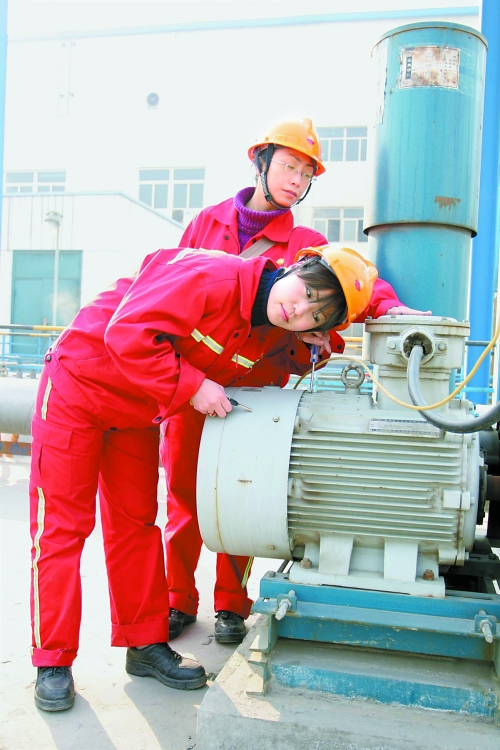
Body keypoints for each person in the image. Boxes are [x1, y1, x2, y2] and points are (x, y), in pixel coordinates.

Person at [29, 242, 376, 712]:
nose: (298, 309)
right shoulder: (209, 277)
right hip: (78, 385)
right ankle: (52, 661)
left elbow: (289, 361)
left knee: (135, 525)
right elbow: (126, 331)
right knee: (61, 528)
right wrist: (194, 386)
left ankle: (143, 643)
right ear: (296, 266)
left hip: (136, 411)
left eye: (315, 315)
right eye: (308, 292)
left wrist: (323, 342)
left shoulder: (273, 330)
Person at [162, 117, 428, 645]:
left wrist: (390, 308)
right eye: (288, 166)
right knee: (183, 495)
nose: (295, 180)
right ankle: (177, 598)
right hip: (194, 384)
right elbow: (173, 280)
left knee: (239, 495)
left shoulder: (305, 245)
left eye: (306, 174)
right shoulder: (206, 225)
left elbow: (351, 282)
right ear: (260, 162)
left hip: (254, 396)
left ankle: (231, 603)